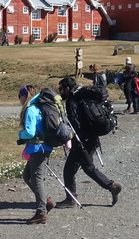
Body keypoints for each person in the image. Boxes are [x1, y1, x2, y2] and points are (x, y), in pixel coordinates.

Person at [54, 76, 122, 209]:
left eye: (61, 89)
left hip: (82, 140)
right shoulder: (81, 95)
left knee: (69, 170)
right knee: (88, 167)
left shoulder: (73, 100)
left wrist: (72, 137)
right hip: (91, 138)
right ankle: (111, 186)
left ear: (67, 88)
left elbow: (76, 123)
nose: (60, 91)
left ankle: (71, 199)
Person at [17, 85, 55, 224]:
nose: (19, 99)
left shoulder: (31, 110)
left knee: (36, 179)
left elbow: (30, 133)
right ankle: (46, 201)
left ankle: (41, 212)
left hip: (38, 148)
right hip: (44, 147)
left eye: (19, 96)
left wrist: (20, 134)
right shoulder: (39, 107)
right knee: (27, 176)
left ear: (24, 95)